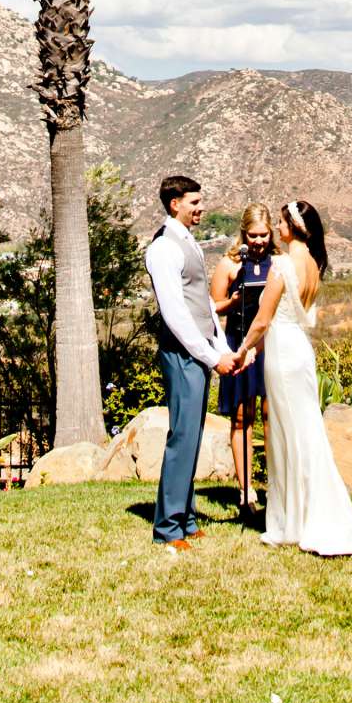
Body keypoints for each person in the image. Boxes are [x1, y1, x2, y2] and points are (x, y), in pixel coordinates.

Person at [228, 198, 352, 562]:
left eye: (281, 223)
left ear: (292, 228)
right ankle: (298, 516)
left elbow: (263, 319)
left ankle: (293, 520)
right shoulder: (313, 263)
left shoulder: (282, 264)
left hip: (282, 354)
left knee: (285, 434)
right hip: (299, 350)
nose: (279, 229)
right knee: (303, 431)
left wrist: (243, 349)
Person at [145, 173, 235, 553]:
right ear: (175, 204)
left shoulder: (189, 243)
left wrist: (222, 345)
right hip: (182, 354)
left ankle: (187, 517)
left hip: (200, 350)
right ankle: (167, 527)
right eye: (194, 203)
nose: (201, 208)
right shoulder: (164, 248)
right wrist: (210, 356)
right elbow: (176, 313)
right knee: (182, 437)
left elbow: (203, 303)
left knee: (192, 436)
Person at [211, 205, 273, 517]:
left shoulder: (279, 262)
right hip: (238, 341)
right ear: (243, 233)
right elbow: (212, 306)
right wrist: (234, 301)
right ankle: (245, 490)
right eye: (254, 235)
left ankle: (277, 487)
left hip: (270, 344)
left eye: (264, 235)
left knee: (271, 415)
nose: (260, 241)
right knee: (240, 416)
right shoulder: (230, 264)